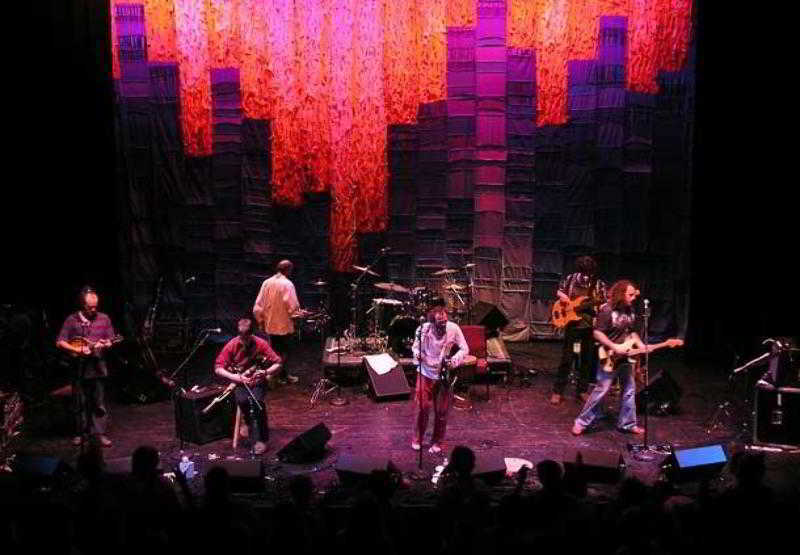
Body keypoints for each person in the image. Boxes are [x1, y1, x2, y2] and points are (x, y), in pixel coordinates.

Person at [572, 280, 645, 436]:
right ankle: (581, 422)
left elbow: (631, 332)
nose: (633, 298)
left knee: (629, 389)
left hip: (626, 356)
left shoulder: (630, 310)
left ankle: (627, 423)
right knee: (602, 389)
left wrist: (640, 345)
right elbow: (597, 333)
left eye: (634, 295)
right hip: (609, 356)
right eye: (630, 295)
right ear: (621, 294)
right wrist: (614, 346)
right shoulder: (607, 310)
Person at [56, 287, 116, 447]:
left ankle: (99, 434)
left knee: (99, 402)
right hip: (79, 368)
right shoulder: (71, 320)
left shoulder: (104, 318)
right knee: (79, 402)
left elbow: (111, 339)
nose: (94, 310)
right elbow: (60, 341)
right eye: (90, 307)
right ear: (82, 305)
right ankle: (80, 433)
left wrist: (108, 344)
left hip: (98, 367)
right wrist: (77, 350)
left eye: (96, 306)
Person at [215, 316, 281, 455]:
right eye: (241, 337)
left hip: (257, 380)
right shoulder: (232, 344)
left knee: (257, 404)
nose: (243, 341)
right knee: (242, 401)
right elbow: (218, 368)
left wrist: (265, 372)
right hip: (240, 381)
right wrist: (235, 377)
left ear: (251, 334)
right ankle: (250, 424)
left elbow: (278, 363)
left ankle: (262, 439)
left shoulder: (260, 343)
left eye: (246, 337)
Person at [411, 306, 468, 454]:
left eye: (445, 321)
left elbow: (464, 348)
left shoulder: (453, 328)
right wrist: (418, 354)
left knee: (441, 411)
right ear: (432, 322)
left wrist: (454, 360)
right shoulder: (423, 329)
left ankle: (438, 441)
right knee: (422, 408)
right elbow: (415, 348)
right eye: (439, 322)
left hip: (444, 374)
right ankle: (418, 438)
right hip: (425, 372)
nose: (443, 324)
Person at [551, 256, 607, 405]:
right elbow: (559, 292)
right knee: (567, 359)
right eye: (583, 273)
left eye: (588, 273)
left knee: (586, 359)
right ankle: (558, 391)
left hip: (588, 326)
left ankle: (582, 390)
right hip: (572, 325)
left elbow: (603, 303)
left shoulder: (598, 284)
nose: (585, 276)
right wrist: (568, 302)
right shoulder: (570, 279)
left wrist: (600, 307)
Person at [253, 259, 301, 384]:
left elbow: (258, 305)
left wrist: (260, 321)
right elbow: (292, 305)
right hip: (283, 325)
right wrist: (298, 315)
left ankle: (281, 375)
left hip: (270, 325)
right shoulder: (287, 284)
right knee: (284, 352)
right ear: (288, 270)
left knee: (275, 351)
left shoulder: (266, 282)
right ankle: (273, 376)